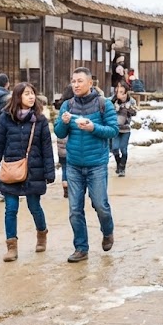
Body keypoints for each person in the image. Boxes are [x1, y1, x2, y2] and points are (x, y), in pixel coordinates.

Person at [54, 67, 119, 262]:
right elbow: (59, 133)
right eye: (73, 81)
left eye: (80, 81)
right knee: (74, 209)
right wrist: (63, 123)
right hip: (73, 164)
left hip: (96, 163)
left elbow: (113, 130)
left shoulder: (103, 104)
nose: (75, 85)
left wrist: (93, 128)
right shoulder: (67, 105)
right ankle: (81, 248)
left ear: (90, 83)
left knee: (100, 205)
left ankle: (108, 231)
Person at [0, 82, 55, 262]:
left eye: (33, 93)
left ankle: (42, 234)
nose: (31, 97)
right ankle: (11, 246)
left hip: (34, 170)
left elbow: (46, 147)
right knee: (10, 209)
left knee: (34, 206)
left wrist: (50, 172)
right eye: (27, 94)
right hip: (11, 170)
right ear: (18, 97)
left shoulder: (39, 119)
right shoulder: (5, 118)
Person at [110, 83, 137, 177]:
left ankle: (122, 168)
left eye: (121, 92)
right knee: (114, 148)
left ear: (126, 93)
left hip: (126, 129)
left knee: (124, 149)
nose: (119, 94)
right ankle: (119, 164)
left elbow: (135, 112)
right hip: (116, 128)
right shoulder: (113, 101)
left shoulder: (131, 102)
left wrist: (128, 110)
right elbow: (107, 110)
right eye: (117, 92)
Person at [53, 85, 72, 199]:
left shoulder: (61, 107)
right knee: (72, 167)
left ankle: (65, 185)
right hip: (71, 142)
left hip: (61, 143)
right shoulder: (75, 107)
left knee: (64, 166)